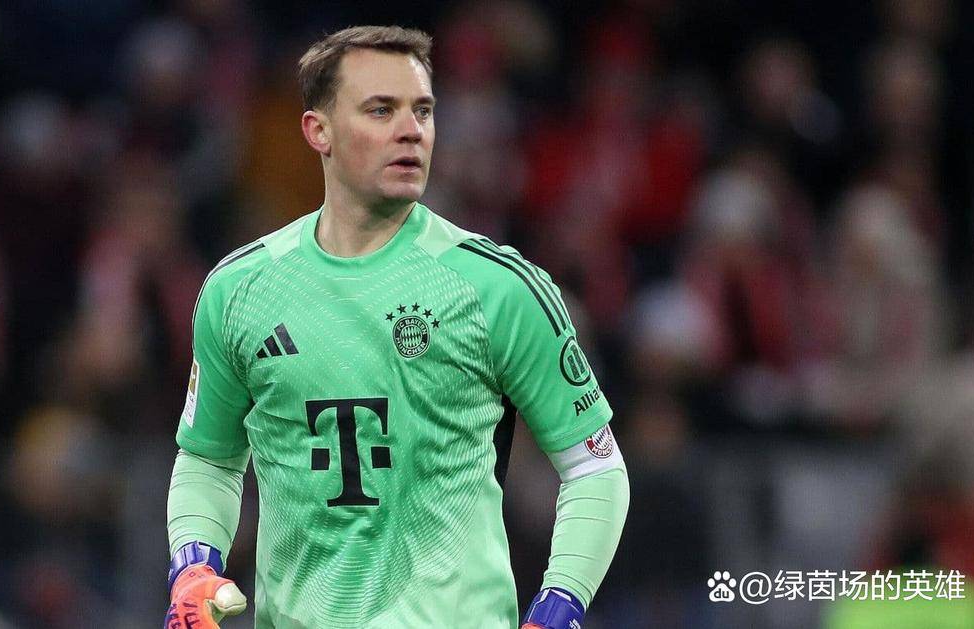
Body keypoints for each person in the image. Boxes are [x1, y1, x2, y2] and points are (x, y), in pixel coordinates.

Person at [164, 25, 629, 629]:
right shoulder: (239, 290)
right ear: (319, 131)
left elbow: (594, 466)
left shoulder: (497, 288)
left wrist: (559, 607)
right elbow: (209, 460)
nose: (411, 130)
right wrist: (193, 565)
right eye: (381, 110)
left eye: (423, 111)